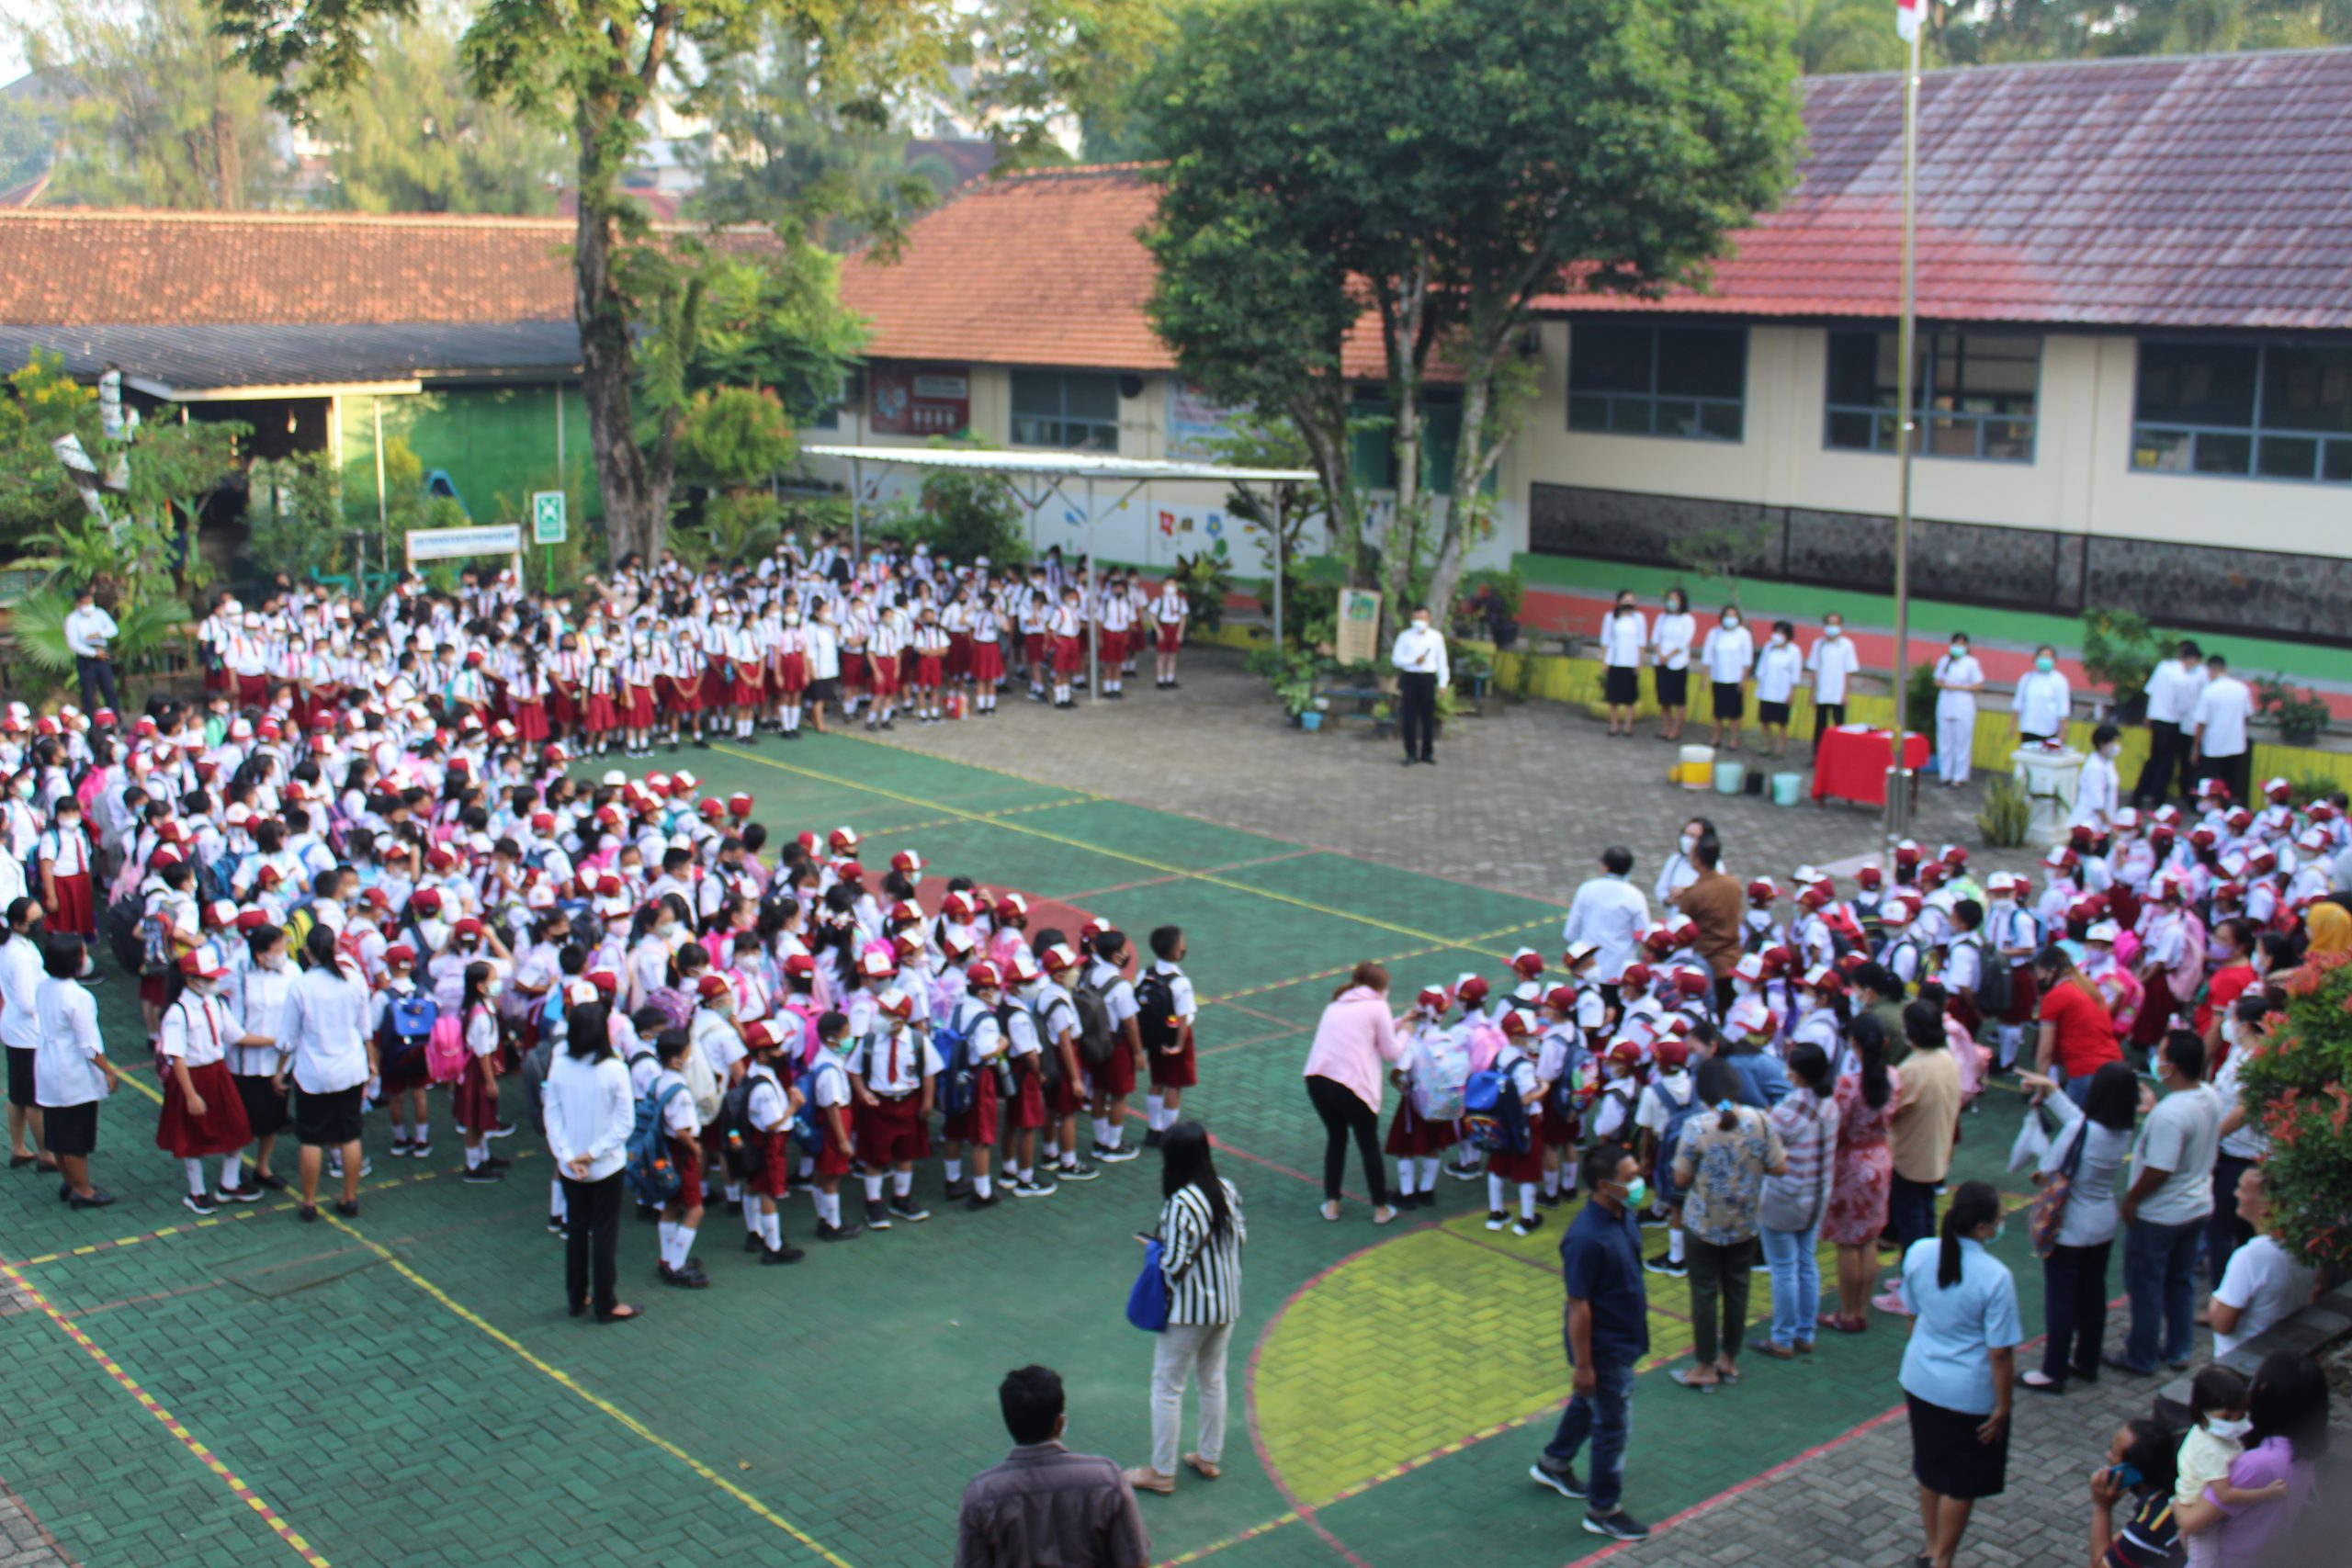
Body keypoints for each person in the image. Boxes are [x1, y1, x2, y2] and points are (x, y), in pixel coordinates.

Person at [1528, 1142, 1652, 1541]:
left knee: (1588, 1403)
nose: (1639, 1184)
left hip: (1625, 1336)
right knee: (1612, 1426)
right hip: (1603, 1348)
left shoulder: (1624, 1216)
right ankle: (1603, 1509)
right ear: (1604, 1185)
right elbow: (1578, 1306)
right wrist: (1584, 1365)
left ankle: (1554, 1463)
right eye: (1630, 1178)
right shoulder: (1585, 1239)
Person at [1897, 1180, 2020, 1568]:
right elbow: (1999, 1353)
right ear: (1983, 1228)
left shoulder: (1920, 1252)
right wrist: (2003, 1405)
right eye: (1998, 1218)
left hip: (1920, 1379)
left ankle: (1931, 1548)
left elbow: (1912, 1314)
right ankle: (1944, 1559)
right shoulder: (1995, 1276)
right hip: (1967, 1392)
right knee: (1961, 1481)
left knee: (1930, 1469)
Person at [1123, 1122, 1245, 1496]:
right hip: (1226, 1303)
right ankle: (1208, 1455)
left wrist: (1153, 1249)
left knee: (1167, 1386)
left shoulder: (1179, 1203)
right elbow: (1240, 1238)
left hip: (1190, 1310)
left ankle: (1161, 1472)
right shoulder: (1227, 1189)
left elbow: (1173, 1263)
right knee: (1212, 1379)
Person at [2015, 1061, 2137, 1393]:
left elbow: (2050, 1166)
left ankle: (2053, 1371)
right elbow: (2078, 1124)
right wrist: (2052, 1093)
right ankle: (2086, 1361)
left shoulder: (2080, 1132)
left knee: (2061, 1300)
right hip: (2103, 1223)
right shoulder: (2122, 1132)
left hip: (2071, 1228)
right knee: (2093, 1295)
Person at [956, 1365, 1152, 1568]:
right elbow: (1136, 1561)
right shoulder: (1106, 1479)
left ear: (1009, 1423)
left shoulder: (981, 1495)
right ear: (1060, 1423)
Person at [1667, 1055, 1783, 1390]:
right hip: (1745, 1221)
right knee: (1737, 1289)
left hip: (1704, 1222)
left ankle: (1705, 1364)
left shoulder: (1697, 1127)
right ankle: (1729, 1359)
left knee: (1704, 1293)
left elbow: (1679, 1178)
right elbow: (1780, 1166)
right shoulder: (1760, 1120)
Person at [2109, 1030, 2220, 1376]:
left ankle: (2141, 1355)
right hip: (2196, 1206)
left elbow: (2160, 1168)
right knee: (2180, 1280)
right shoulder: (2208, 1096)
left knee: (2147, 1285)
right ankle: (2179, 1349)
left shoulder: (2170, 1115)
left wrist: (2132, 1199)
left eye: (2161, 1055)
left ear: (2172, 1066)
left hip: (2161, 1215)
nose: (2158, 1061)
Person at [2176, 1349, 2330, 1567]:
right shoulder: (2304, 1451)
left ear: (2264, 1392)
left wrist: (2176, 1502)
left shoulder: (2255, 1465)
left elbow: (2190, 1523)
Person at [274, 923, 378, 1222]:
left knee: (311, 1139)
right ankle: (350, 1197)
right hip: (349, 1070)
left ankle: (309, 1202)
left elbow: (287, 1039)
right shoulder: (354, 980)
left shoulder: (302, 985)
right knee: (350, 1136)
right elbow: (365, 1029)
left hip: (313, 1074)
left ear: (307, 952)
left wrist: (279, 1072)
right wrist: (371, 1062)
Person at [544, 998, 639, 1322]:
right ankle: (605, 1302)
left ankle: (576, 1297)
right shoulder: (614, 1069)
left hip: (572, 1167)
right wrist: (593, 1153)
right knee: (604, 1234)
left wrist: (568, 1156)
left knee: (577, 1230)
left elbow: (552, 1116)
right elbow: (625, 1123)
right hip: (605, 1165)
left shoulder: (560, 1066)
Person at [1754, 1041, 1838, 1359]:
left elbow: (1767, 1149)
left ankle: (1783, 1338)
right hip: (1817, 1194)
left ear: (1798, 1075)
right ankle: (1805, 1333)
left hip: (1784, 1198)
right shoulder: (1831, 1103)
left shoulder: (1788, 1112)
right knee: (1806, 1263)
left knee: (1784, 1269)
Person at [1877, 999, 1960, 1314]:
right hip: (1934, 1153)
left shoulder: (1913, 1069)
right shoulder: (1946, 1058)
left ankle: (1912, 1293)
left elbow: (1889, 1110)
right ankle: (1918, 1280)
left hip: (1909, 1157)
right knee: (1924, 1220)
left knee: (1912, 1228)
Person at [1300, 962, 1399, 1224]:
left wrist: (1400, 1023)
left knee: (1336, 1138)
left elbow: (1368, 1033)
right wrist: (1408, 1033)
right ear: (1380, 987)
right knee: (1368, 1145)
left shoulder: (1336, 1005)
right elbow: (1391, 1051)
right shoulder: (1378, 1006)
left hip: (1318, 1081)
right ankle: (1380, 1208)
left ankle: (1332, 1204)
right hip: (1353, 1086)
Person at [34, 934, 119, 1208]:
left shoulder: (44, 986)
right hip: (72, 1074)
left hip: (48, 1067)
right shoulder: (79, 997)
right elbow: (89, 1046)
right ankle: (83, 1190)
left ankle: (70, 1182)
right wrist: (108, 1072)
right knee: (75, 1139)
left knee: (58, 1134)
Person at [1822, 1011, 1894, 1334]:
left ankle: (1847, 1311)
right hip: (1881, 1157)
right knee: (1869, 1238)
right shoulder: (1894, 1078)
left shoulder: (1848, 1085)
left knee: (1848, 1241)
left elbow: (1836, 1129)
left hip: (1851, 1162)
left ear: (1854, 1044)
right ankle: (1861, 1308)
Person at [2206, 1167, 2317, 1360]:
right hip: (2282, 1350)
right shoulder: (2307, 1244)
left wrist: (2215, 1301)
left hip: (2243, 1360)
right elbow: (2318, 1289)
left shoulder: (2252, 1257)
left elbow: (2221, 1324)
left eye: (2243, 1190)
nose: (2236, 1194)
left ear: (2267, 1206)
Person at [2087, 1417, 2186, 1568]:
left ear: (2130, 1470)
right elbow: (2119, 1547)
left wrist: (2102, 1508)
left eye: (2113, 1452)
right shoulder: (2176, 1489)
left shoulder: (2152, 1524)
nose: (2108, 1455)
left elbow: (2099, 1565)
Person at [2030, 946, 2123, 1104]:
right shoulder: (2088, 988)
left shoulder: (2056, 996)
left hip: (2086, 1071)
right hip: (2116, 1067)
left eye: (2039, 973)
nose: (2038, 978)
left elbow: (2045, 1051)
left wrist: (2040, 1091)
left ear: (2051, 971)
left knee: (2074, 1119)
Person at [2, 896, 52, 1171]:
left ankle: (19, 1147)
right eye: (35, 921)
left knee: (18, 1094)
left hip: (17, 1030)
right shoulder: (18, 955)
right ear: (18, 924)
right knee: (33, 1099)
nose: (40, 924)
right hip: (26, 1033)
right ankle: (46, 1153)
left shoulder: (16, 944)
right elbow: (26, 1002)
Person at [1562, 848, 1649, 999]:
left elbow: (1570, 933)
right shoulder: (1635, 896)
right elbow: (1643, 934)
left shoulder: (1587, 889)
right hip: (1620, 971)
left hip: (1587, 969)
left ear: (1605, 866)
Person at [1672, 834, 1742, 1014]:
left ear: (1697, 860)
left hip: (1708, 965)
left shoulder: (1693, 895)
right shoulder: (1733, 884)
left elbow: (1682, 929)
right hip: (1733, 961)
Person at [2135, 639, 2208, 809]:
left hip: (2157, 719)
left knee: (2154, 759)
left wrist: (2149, 714)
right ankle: (2158, 797)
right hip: (2172, 721)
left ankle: (2139, 795)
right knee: (2165, 763)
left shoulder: (2163, 667)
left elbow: (2150, 691)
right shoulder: (2183, 678)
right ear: (2192, 659)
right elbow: (2184, 704)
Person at [2188, 655, 2255, 809]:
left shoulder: (2209, 691)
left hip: (2214, 745)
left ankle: (2211, 810)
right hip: (2236, 745)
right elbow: (2247, 715)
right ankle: (2228, 810)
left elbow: (2200, 723)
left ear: (2210, 671)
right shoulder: (2241, 689)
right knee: (2231, 783)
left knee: (2212, 785)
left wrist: (2196, 748)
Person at [1390, 604, 1448, 766]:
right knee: (1409, 717)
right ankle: (1410, 753)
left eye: (1422, 618)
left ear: (1428, 619)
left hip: (1427, 678)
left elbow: (1442, 661)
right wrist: (1413, 661)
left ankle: (1427, 753)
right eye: (1416, 618)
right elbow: (1396, 659)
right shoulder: (1404, 636)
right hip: (1410, 677)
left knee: (1428, 717)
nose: (1419, 621)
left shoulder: (1436, 637)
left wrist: (1443, 683)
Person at [1932, 634, 1985, 787]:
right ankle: (1945, 775)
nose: (1958, 647)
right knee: (1945, 742)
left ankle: (1959, 776)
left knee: (1961, 743)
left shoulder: (1971, 663)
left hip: (1963, 706)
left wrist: (1959, 687)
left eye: (1961, 644)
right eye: (1955, 644)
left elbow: (1979, 684)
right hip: (1945, 704)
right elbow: (1937, 680)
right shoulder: (1944, 661)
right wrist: (1945, 685)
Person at [1699, 604, 1754, 751]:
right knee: (1718, 710)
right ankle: (1716, 737)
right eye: (1727, 616)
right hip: (1718, 676)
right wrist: (1704, 677)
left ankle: (1733, 738)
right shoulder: (1714, 633)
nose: (1730, 619)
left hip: (1735, 678)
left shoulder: (1743, 634)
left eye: (1733, 616)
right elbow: (1707, 656)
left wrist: (1744, 679)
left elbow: (1747, 659)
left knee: (1734, 712)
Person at [1805, 612, 1860, 754]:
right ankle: (1818, 755)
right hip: (1822, 692)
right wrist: (1812, 692)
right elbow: (1814, 669)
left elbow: (1848, 671)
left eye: (1835, 624)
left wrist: (1845, 694)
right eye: (1829, 623)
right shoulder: (1818, 644)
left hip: (1838, 693)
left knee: (1839, 726)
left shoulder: (1847, 645)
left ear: (1841, 626)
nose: (1832, 627)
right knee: (1820, 726)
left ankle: (1839, 755)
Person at [64, 584, 120, 717]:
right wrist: (94, 653)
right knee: (88, 693)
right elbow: (74, 643)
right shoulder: (72, 619)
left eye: (90, 602)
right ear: (78, 604)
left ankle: (116, 719)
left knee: (109, 690)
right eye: (85, 603)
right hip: (86, 658)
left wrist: (99, 634)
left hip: (103, 655)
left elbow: (113, 630)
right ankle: (90, 723)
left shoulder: (99, 614)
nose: (88, 606)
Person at [1599, 590, 1645, 739]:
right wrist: (1604, 661)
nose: (1628, 602)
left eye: (1631, 600)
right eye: (1625, 599)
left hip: (1631, 662)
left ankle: (1628, 726)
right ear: (1619, 601)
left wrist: (1639, 662)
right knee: (1613, 696)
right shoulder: (1611, 617)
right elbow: (1605, 640)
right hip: (1615, 661)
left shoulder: (1639, 618)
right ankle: (1614, 725)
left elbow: (1641, 642)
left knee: (1629, 697)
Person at [1753, 620, 1804, 757]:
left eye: (1781, 633)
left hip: (1782, 692)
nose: (1777, 636)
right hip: (1767, 690)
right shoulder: (1768, 647)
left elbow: (1795, 674)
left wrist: (1791, 693)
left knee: (1782, 723)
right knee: (1764, 720)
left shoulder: (1794, 651)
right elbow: (1762, 668)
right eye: (1776, 632)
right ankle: (1767, 745)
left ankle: (1780, 749)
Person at [1649, 588, 1692, 741]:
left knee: (1678, 699)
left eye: (1675, 599)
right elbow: (1655, 638)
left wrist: (1668, 656)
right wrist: (1660, 654)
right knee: (1664, 699)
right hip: (1660, 661)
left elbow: (1684, 643)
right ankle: (1665, 729)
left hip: (1677, 662)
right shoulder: (1662, 617)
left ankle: (1676, 730)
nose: (1672, 602)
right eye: (1670, 599)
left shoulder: (1687, 619)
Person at [2013, 645, 2073, 744]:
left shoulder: (2059, 680)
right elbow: (2018, 703)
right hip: (2028, 729)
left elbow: (2063, 710)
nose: (2045, 660)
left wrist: (2063, 733)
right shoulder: (2027, 678)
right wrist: (2013, 725)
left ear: (2054, 660)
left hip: (2050, 731)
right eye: (2042, 657)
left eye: (2048, 657)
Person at [2073, 724, 2124, 833]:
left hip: (2102, 824)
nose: (2116, 746)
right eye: (2113, 742)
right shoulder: (2095, 768)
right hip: (2089, 823)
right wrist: (2112, 827)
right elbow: (2097, 804)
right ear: (2102, 744)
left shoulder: (2108, 762)